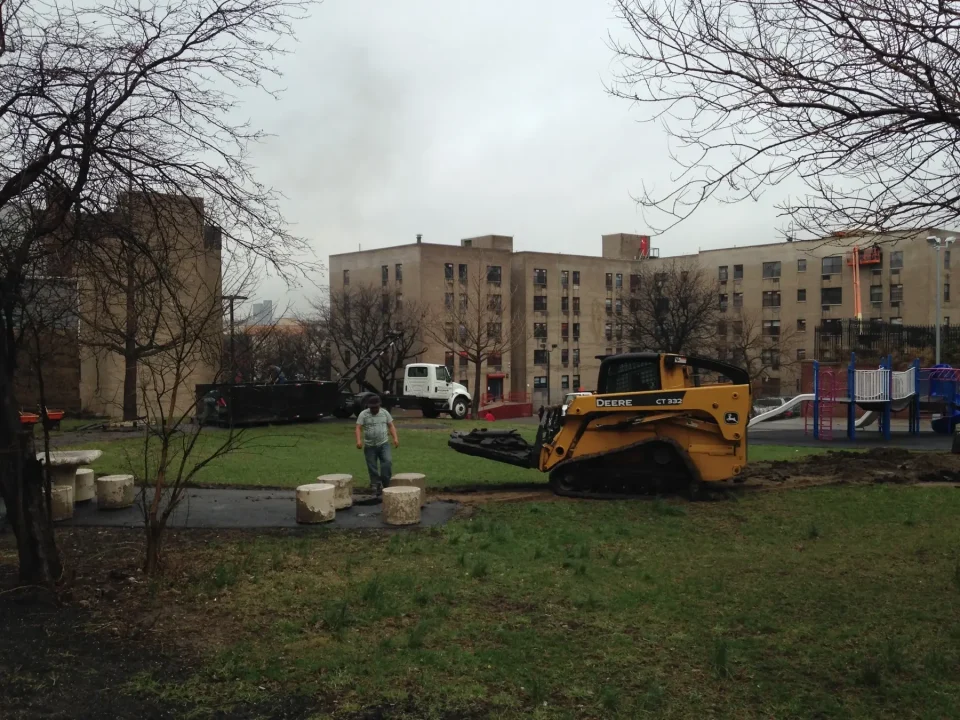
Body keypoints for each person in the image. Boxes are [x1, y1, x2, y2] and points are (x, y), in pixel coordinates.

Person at [355, 395, 399, 496]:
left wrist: (395, 438)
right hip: (370, 445)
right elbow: (358, 427)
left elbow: (391, 425)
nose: (374, 409)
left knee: (387, 462)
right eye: (372, 407)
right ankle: (375, 484)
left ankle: (386, 483)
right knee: (372, 466)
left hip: (383, 444)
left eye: (376, 407)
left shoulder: (384, 413)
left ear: (379, 406)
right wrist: (358, 440)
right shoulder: (364, 414)